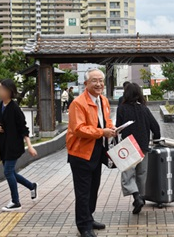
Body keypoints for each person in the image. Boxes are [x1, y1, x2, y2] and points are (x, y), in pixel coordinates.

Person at [66, 69, 116, 237]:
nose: (99, 84)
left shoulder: (103, 100)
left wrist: (111, 127)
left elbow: (106, 120)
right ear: (86, 84)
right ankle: (83, 225)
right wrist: (102, 132)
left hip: (97, 150)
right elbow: (79, 129)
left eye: (101, 80)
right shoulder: (78, 103)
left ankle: (89, 217)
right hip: (80, 153)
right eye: (94, 80)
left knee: (93, 188)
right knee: (83, 191)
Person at [116, 83, 161, 214]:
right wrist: (156, 140)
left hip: (128, 146)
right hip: (143, 146)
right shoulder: (144, 109)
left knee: (128, 175)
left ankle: (136, 197)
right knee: (141, 174)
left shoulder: (122, 108)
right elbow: (156, 127)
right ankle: (140, 198)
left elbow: (118, 127)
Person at [0, 79, 38, 212]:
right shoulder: (0, 105)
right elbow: (0, 122)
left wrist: (29, 146)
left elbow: (23, 129)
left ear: (9, 91)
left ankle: (15, 201)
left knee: (8, 171)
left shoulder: (15, 108)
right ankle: (31, 186)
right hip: (4, 144)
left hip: (14, 145)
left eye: (1, 89)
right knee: (11, 172)